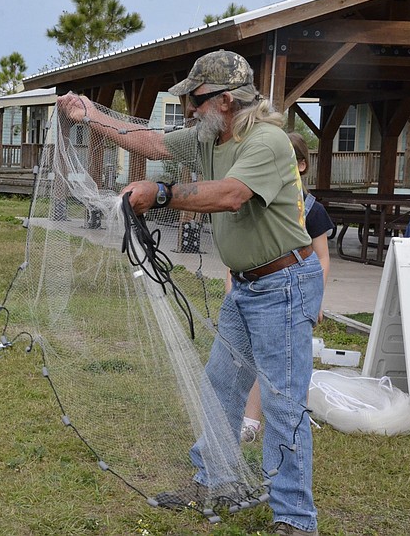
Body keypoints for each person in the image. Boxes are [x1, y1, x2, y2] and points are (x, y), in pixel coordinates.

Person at [57, 50, 323, 536]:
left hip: (284, 285)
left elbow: (231, 195)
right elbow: (149, 141)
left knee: (283, 403)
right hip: (246, 286)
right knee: (220, 385)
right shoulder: (207, 136)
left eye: (196, 100)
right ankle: (214, 480)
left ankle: (295, 520)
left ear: (225, 100)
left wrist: (161, 194)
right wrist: (88, 114)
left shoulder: (267, 141)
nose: (189, 109)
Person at [240, 132, 334, 443]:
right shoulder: (264, 207)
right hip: (264, 295)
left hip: (298, 296)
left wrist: (315, 299)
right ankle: (251, 421)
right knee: (260, 361)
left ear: (302, 166)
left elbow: (322, 259)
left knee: (295, 367)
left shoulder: (312, 211)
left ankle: (296, 420)